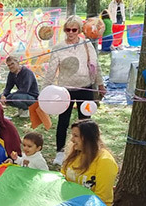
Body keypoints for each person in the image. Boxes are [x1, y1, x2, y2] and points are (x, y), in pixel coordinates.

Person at [44, 16, 103, 164]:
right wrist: (45, 91)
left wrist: (100, 84)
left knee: (86, 121)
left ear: (79, 30)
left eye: (74, 29)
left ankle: (87, 150)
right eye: (67, 29)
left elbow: (95, 65)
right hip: (66, 90)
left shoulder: (86, 44)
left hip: (86, 87)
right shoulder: (59, 47)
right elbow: (51, 70)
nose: (71, 33)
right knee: (63, 121)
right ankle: (60, 151)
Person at [61, 120, 118, 206]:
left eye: (76, 136)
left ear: (88, 138)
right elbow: (62, 179)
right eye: (72, 135)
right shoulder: (74, 155)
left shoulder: (105, 161)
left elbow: (102, 197)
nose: (72, 140)